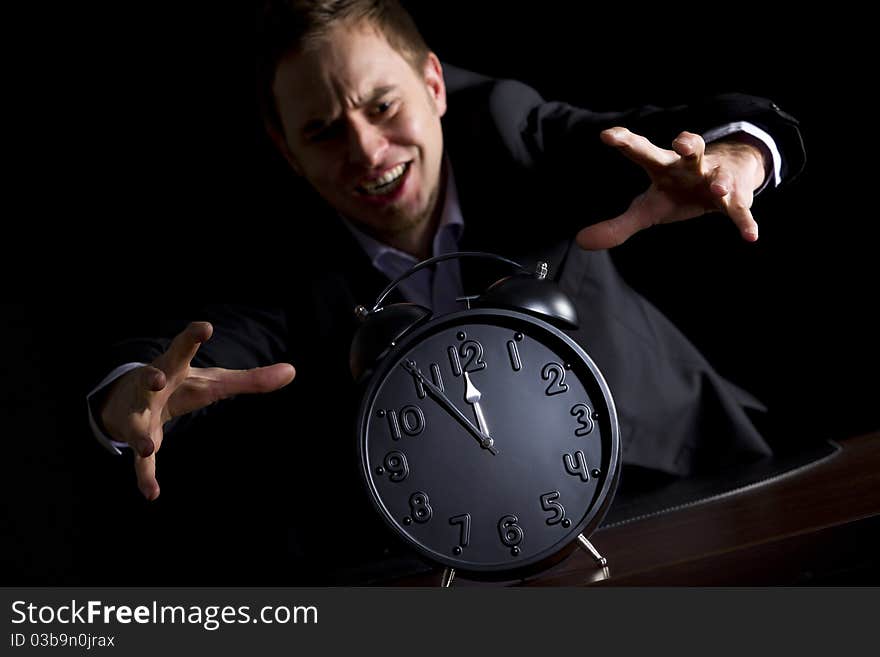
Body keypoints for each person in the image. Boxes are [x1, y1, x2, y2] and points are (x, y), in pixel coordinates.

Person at [86, 0, 805, 583]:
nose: (367, 151)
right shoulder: (277, 241)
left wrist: (734, 156)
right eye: (324, 130)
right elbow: (187, 350)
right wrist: (129, 400)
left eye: (382, 106)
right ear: (288, 152)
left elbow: (693, 130)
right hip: (443, 556)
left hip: (677, 482)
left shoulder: (505, 128)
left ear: (433, 84)